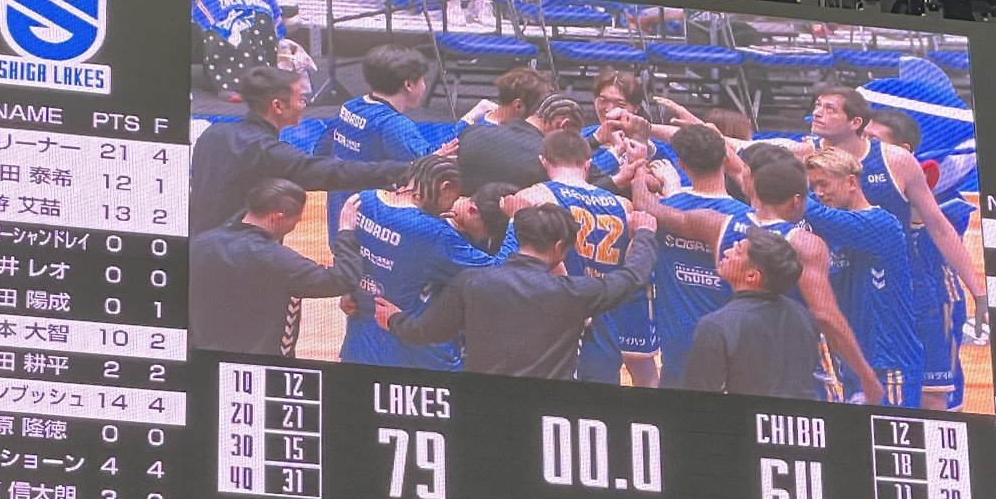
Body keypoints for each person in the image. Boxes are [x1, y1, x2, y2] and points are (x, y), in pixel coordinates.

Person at [623, 142, 882, 403]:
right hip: (789, 357)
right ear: (796, 201)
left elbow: (649, 207)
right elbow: (826, 315)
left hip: (738, 349)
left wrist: (638, 168)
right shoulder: (804, 242)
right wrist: (864, 372)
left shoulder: (718, 223)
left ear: (752, 189)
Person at [810, 86, 982, 407]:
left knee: (933, 396)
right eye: (817, 105)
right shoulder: (808, 157)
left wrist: (978, 290)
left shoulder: (896, 160)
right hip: (848, 290)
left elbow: (939, 226)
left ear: (854, 122)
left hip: (910, 289)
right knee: (865, 396)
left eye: (829, 108)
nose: (818, 112)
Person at [376, 200, 659, 380]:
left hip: (488, 408)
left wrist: (394, 319)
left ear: (520, 235)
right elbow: (633, 277)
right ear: (559, 247)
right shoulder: (574, 293)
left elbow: (427, 331)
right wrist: (645, 233)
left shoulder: (471, 282)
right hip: (547, 418)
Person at [505, 130, 659, 386]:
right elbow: (632, 263)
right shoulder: (622, 205)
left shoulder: (534, 197)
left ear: (543, 161)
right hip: (605, 322)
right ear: (588, 163)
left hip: (557, 323)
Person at [189, 66, 419, 230]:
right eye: (300, 98)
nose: (304, 104)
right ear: (278, 106)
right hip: (239, 261)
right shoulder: (269, 153)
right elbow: (334, 173)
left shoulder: (213, 133)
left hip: (200, 248)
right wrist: (409, 169)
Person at [337, 159, 513, 371]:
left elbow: (353, 256)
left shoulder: (364, 199)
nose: (451, 207)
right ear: (444, 187)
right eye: (453, 198)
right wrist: (514, 222)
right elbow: (498, 274)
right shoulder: (432, 233)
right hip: (411, 354)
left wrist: (351, 289)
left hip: (360, 346)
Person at [867, 106, 987, 403]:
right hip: (885, 297)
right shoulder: (863, 182)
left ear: (903, 150)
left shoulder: (946, 200)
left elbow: (943, 236)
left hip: (938, 296)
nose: (866, 147)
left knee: (940, 390)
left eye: (874, 140)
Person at [802, 144, 920, 407]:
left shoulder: (881, 224)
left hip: (890, 365)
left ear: (851, 183)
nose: (818, 193)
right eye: (813, 186)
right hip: (855, 367)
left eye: (824, 184)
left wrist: (785, 182)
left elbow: (811, 211)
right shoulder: (834, 226)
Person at [188, 179, 359, 356]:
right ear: (276, 218)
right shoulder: (279, 262)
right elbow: (342, 279)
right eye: (295, 221)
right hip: (262, 362)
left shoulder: (200, 244)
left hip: (202, 355)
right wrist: (346, 233)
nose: (294, 226)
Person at [650, 123, 753, 385]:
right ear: (724, 158)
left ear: (681, 166)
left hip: (677, 349)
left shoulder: (663, 209)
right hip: (733, 346)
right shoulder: (747, 218)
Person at [679, 226, 820, 399]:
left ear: (752, 276)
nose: (727, 252)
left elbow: (695, 403)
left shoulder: (716, 327)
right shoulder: (805, 317)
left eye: (737, 252)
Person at [331, 44, 437, 162]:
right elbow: (428, 164)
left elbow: (320, 153)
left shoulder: (348, 107)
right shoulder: (395, 125)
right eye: (423, 80)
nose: (424, 86)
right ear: (408, 85)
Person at [455, 66, 552, 191]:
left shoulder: (470, 132)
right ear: (518, 106)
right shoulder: (474, 132)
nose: (539, 115)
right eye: (537, 109)